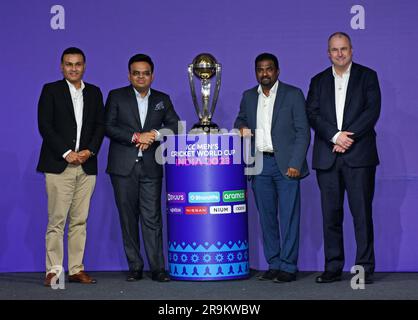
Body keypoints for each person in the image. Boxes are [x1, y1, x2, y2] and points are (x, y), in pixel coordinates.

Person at [306, 32, 381, 284]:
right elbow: (312, 114)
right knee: (330, 216)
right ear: (328, 53)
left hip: (359, 156)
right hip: (327, 157)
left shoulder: (367, 76)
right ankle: (333, 267)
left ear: (351, 50)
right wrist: (335, 136)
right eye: (335, 49)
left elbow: (372, 111)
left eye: (344, 49)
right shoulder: (317, 81)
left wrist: (348, 138)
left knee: (361, 215)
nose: (339, 53)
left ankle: (363, 269)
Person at [234, 53, 310, 282]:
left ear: (277, 71)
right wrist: (242, 127)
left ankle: (288, 267)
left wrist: (295, 163)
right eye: (260, 69)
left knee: (288, 218)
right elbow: (240, 120)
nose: (264, 73)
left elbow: (303, 132)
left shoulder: (293, 94)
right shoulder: (248, 96)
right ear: (255, 72)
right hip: (259, 165)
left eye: (269, 69)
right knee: (266, 219)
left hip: (287, 166)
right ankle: (274, 264)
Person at [105, 54, 180, 282]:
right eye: (136, 73)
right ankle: (135, 267)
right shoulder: (116, 96)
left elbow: (175, 125)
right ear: (129, 75)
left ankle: (157, 268)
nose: (140, 77)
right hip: (122, 168)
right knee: (128, 219)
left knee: (152, 218)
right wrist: (136, 136)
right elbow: (108, 127)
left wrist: (154, 135)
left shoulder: (162, 99)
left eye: (145, 73)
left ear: (152, 76)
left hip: (150, 168)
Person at [37, 47, 105, 286]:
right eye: (69, 64)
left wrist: (89, 151)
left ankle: (76, 269)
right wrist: (66, 153)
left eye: (77, 64)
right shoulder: (51, 90)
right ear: (61, 66)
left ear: (84, 66)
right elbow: (45, 126)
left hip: (87, 166)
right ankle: (54, 272)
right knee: (57, 221)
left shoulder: (95, 93)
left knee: (80, 220)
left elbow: (100, 126)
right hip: (58, 165)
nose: (73, 68)